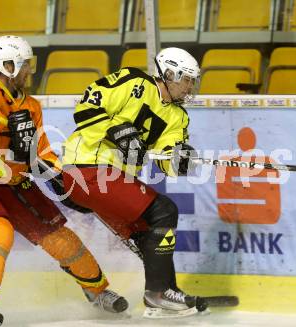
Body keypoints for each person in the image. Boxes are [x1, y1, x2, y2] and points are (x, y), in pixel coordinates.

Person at [0, 35, 127, 327]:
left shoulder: (32, 105)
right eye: (25, 64)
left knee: (58, 234)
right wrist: (9, 124)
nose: (30, 70)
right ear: (7, 65)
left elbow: (38, 152)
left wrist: (62, 182)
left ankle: (98, 292)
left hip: (13, 181)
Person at [61, 47, 208, 318]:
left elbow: (166, 161)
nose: (190, 87)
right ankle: (159, 295)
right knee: (164, 211)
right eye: (186, 79)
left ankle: (167, 291)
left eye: (192, 81)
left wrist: (180, 160)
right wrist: (117, 131)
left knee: (145, 231)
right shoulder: (134, 82)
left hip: (114, 179)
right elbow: (87, 104)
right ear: (169, 73)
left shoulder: (178, 117)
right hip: (87, 167)